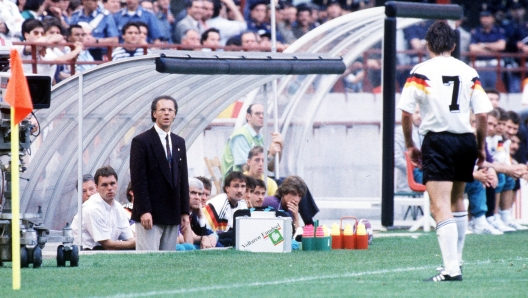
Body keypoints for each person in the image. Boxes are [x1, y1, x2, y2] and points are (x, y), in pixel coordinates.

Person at [399, 21, 493, 282]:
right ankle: (457, 261)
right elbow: (483, 113)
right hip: (465, 139)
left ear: (427, 45)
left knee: (439, 206)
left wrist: (410, 144)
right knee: (456, 200)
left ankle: (451, 269)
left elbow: (406, 112)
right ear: (453, 45)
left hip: (438, 140)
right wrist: (480, 145)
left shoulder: (421, 71)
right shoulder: (468, 71)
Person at [130, 95, 190, 251]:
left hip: (172, 213)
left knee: (167, 264)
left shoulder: (179, 142)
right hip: (150, 215)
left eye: (170, 110)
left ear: (175, 114)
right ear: (154, 113)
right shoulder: (141, 141)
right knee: (148, 262)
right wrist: (144, 210)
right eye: (162, 109)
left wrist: (184, 211)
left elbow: (183, 179)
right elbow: (138, 179)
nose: (166, 113)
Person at [75, 166, 136, 250]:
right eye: (104, 185)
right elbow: (107, 245)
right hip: (87, 253)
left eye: (112, 183)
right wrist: (138, 242)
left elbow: (129, 238)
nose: (110, 188)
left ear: (117, 184)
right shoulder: (92, 208)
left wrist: (134, 242)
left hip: (105, 252)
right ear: (97, 187)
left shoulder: (118, 207)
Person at [220, 103, 282, 178]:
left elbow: (271, 168)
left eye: (264, 114)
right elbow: (246, 169)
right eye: (257, 114)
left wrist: (280, 147)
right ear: (248, 117)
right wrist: (270, 155)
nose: (261, 116)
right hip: (238, 183)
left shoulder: (259, 137)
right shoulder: (241, 136)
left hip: (253, 180)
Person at [469, 7, 506, 90]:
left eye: (487, 17)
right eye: (482, 17)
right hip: (479, 64)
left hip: (495, 64)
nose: (484, 20)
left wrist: (483, 45)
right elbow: (473, 48)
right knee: (480, 90)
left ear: (493, 18)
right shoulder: (476, 31)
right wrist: (493, 49)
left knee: (494, 90)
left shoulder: (499, 31)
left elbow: (501, 46)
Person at [394, 105, 422, 192]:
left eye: (421, 113)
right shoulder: (400, 132)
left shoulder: (427, 132)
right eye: (417, 112)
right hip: (406, 187)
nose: (419, 116)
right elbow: (396, 158)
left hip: (425, 186)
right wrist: (414, 170)